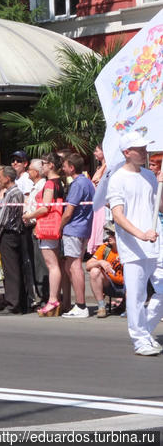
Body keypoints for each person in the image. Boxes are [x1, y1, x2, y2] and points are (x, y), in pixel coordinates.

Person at [107, 131, 163, 355]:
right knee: (138, 296)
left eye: (145, 148)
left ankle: (145, 331)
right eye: (139, 149)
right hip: (133, 247)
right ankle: (140, 340)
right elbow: (118, 216)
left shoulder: (149, 175)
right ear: (126, 153)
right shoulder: (117, 179)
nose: (144, 152)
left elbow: (159, 207)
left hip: (156, 243)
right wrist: (141, 235)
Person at [23, 153, 66, 317]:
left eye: (45, 163)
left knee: (52, 265)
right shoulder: (59, 182)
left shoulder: (50, 183)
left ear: (51, 165)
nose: (42, 166)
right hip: (53, 224)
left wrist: (29, 215)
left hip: (48, 225)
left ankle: (53, 299)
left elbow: (45, 207)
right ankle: (56, 299)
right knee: (55, 264)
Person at [59, 153, 95, 318]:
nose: (63, 168)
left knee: (74, 266)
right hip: (82, 228)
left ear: (72, 167)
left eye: (65, 165)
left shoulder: (78, 184)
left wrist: (59, 227)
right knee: (70, 266)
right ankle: (79, 305)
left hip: (74, 229)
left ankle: (80, 305)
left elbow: (69, 212)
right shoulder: (87, 182)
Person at [0, 166, 27, 315]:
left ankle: (13, 304)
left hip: (9, 234)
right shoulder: (14, 193)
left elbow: (2, 218)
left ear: (7, 178)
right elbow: (0, 211)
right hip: (15, 233)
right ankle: (20, 302)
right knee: (15, 268)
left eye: (0, 177)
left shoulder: (12, 194)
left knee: (10, 270)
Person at [87, 226, 123, 318]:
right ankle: (101, 306)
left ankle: (127, 305)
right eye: (109, 233)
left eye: (113, 234)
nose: (109, 236)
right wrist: (100, 262)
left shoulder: (130, 249)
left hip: (128, 287)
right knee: (94, 271)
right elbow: (88, 265)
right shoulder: (105, 247)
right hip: (110, 285)